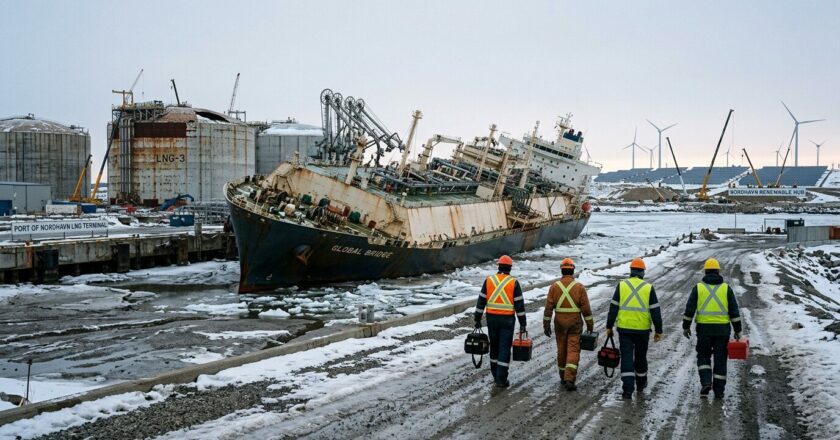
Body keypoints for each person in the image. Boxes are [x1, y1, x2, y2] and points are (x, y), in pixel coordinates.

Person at [682, 258, 742, 398]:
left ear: (705, 272)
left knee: (703, 356)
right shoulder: (726, 289)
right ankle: (719, 391)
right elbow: (734, 312)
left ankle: (706, 382)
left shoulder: (698, 288)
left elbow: (689, 309)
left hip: (704, 330)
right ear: (718, 271)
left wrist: (686, 326)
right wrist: (738, 330)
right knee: (720, 359)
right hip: (723, 331)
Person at [606, 257, 663, 400]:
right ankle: (641, 383)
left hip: (624, 329)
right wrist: (658, 330)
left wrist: (609, 326)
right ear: (643, 272)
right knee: (640, 357)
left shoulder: (622, 286)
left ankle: (627, 390)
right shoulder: (648, 288)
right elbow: (655, 311)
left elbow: (613, 307)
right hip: (642, 330)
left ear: (631, 271)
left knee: (626, 357)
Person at [474, 255, 527, 388]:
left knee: (494, 346)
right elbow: (519, 305)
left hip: (491, 319)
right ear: (510, 267)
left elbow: (481, 301)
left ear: (498, 266)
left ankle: (495, 374)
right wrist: (523, 323)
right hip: (507, 320)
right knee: (504, 348)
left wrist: (477, 319)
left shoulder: (489, 280)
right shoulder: (513, 283)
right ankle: (501, 378)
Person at [543, 258, 594, 391]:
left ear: (562, 270)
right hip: (575, 324)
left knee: (561, 349)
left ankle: (562, 376)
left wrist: (546, 325)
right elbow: (586, 309)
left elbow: (548, 308)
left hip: (559, 323)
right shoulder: (579, 288)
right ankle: (569, 379)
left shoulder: (554, 287)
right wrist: (590, 326)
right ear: (573, 270)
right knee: (573, 350)